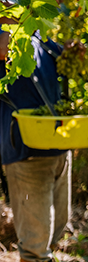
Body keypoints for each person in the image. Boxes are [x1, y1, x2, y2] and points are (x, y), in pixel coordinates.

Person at [0, 14, 71, 261]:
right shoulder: (12, 29)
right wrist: (34, 11)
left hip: (58, 146)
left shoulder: (39, 32)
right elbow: (3, 48)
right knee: (35, 247)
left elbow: (61, 61)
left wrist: (71, 51)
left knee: (56, 231)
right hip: (25, 149)